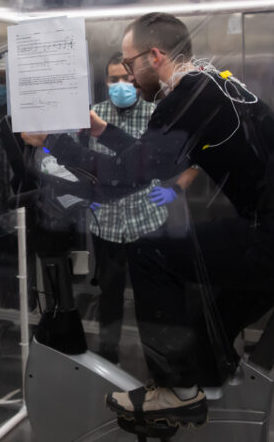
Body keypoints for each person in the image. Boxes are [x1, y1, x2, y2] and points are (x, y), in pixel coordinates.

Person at [22, 12, 274, 429]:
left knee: (151, 251)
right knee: (206, 329)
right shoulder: (207, 84)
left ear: (155, 56)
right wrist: (102, 133)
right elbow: (156, 157)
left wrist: (55, 142)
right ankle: (203, 387)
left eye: (132, 64)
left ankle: (176, 390)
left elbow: (123, 178)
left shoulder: (188, 96)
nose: (130, 77)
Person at [83, 52, 197, 364]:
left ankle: (159, 362)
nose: (120, 84)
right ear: (105, 82)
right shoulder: (93, 114)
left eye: (125, 77)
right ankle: (108, 357)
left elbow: (195, 156)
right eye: (113, 79)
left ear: (135, 79)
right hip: (105, 223)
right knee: (109, 294)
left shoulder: (156, 114)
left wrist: (176, 188)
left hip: (147, 223)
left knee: (154, 297)